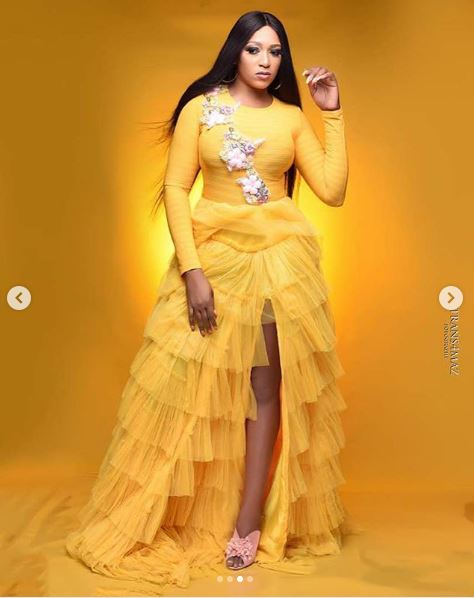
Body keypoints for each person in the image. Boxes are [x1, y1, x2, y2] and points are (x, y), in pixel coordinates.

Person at [65, 9, 358, 594]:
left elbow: (332, 191)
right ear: (236, 52)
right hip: (213, 259)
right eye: (254, 49)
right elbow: (176, 188)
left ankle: (248, 521)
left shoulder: (292, 118)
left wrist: (332, 113)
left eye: (275, 51)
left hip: (278, 261)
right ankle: (168, 509)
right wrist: (192, 269)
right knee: (186, 385)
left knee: (264, 389)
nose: (266, 61)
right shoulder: (201, 109)